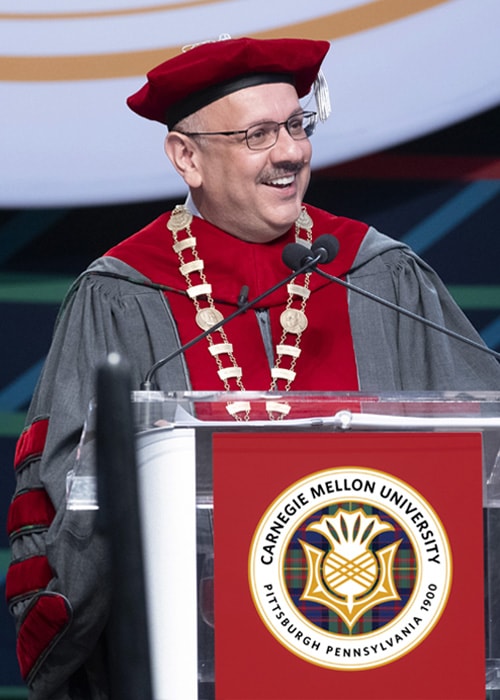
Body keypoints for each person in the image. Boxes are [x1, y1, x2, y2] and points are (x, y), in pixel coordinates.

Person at [6, 35, 500, 699]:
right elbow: (64, 503)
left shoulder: (379, 275)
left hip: (381, 660)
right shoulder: (122, 296)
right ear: (188, 157)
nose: (292, 151)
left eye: (298, 124)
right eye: (259, 133)